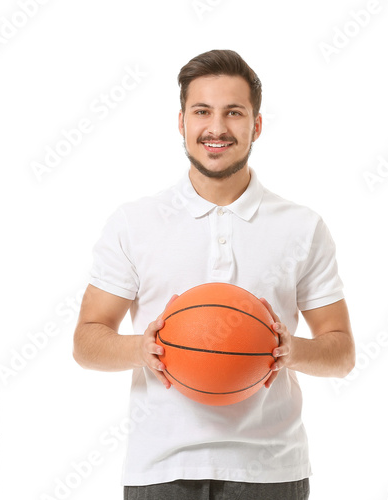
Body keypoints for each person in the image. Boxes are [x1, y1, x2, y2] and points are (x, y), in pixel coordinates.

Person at [73, 49, 355, 500]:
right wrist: (141, 348)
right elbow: (87, 340)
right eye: (202, 111)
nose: (217, 127)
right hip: (160, 470)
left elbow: (341, 352)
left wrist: (288, 349)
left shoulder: (302, 226)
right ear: (182, 121)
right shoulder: (134, 222)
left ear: (256, 125)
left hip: (272, 470)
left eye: (234, 112)